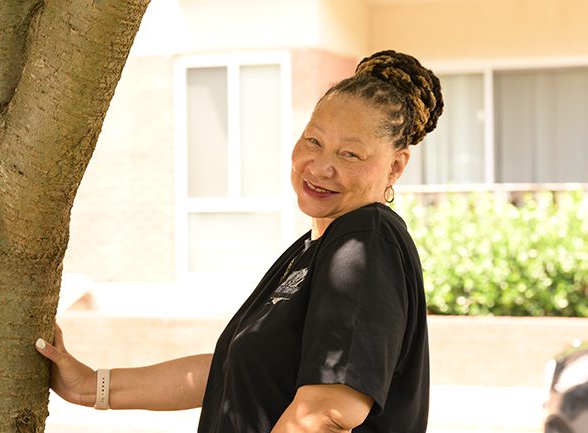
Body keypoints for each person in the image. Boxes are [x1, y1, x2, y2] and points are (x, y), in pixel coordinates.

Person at [35, 49, 444, 432]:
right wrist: (90, 386)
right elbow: (235, 369)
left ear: (395, 167)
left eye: (349, 155)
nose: (320, 167)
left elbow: (325, 414)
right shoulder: (314, 248)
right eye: (313, 141)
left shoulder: (366, 242)